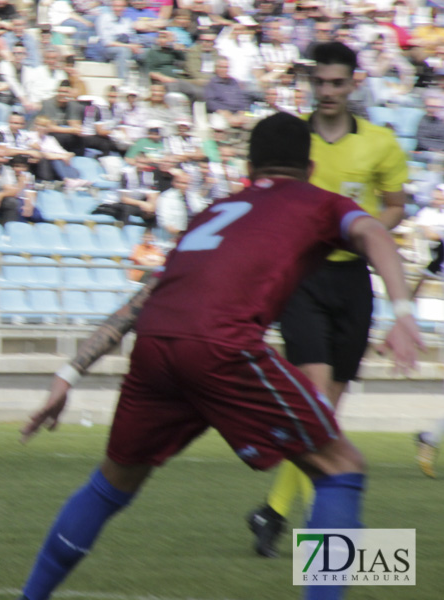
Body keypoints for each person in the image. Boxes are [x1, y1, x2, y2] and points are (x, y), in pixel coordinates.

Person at [16, 113, 422, 600]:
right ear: (311, 168)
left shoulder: (214, 211)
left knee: (111, 485)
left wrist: (69, 372)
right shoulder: (318, 200)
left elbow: (143, 299)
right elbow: (375, 233)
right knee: (342, 470)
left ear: (250, 168)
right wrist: (402, 312)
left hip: (156, 344)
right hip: (219, 346)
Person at [246, 43, 411, 560]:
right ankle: (321, 540)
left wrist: (361, 234)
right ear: (311, 84)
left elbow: (395, 207)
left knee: (326, 419)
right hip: (306, 278)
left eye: (338, 83)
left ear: (353, 84)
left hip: (353, 283)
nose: (328, 92)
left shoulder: (381, 144)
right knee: (315, 405)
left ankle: (273, 512)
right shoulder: (294, 141)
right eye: (321, 83)